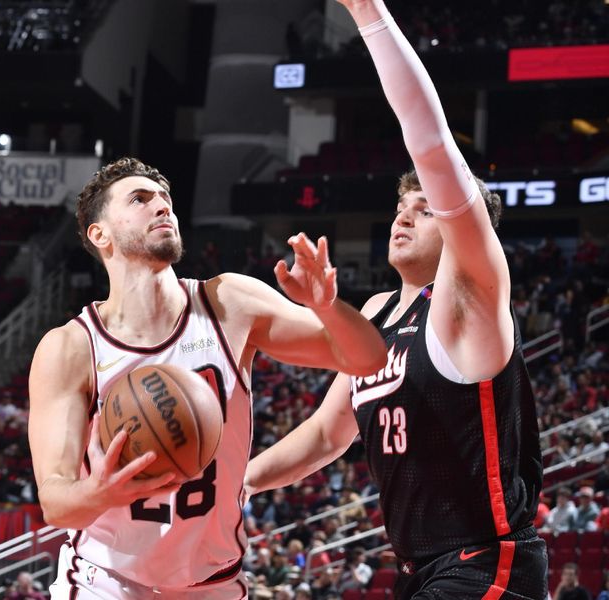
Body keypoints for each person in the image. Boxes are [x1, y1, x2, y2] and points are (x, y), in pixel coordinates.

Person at [243, 1, 547, 598]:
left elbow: (430, 143)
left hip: (488, 564)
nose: (403, 217)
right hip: (422, 570)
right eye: (400, 208)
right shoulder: (377, 313)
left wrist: (369, 13)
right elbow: (327, 436)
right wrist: (237, 483)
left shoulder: (472, 297)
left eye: (425, 208)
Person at [29, 157, 387, 599]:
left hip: (213, 583)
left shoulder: (229, 303)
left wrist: (328, 307)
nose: (162, 207)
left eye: (165, 199)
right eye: (140, 199)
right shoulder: (70, 347)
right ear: (99, 235)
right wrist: (100, 491)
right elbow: (56, 503)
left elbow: (367, 360)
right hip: (106, 582)